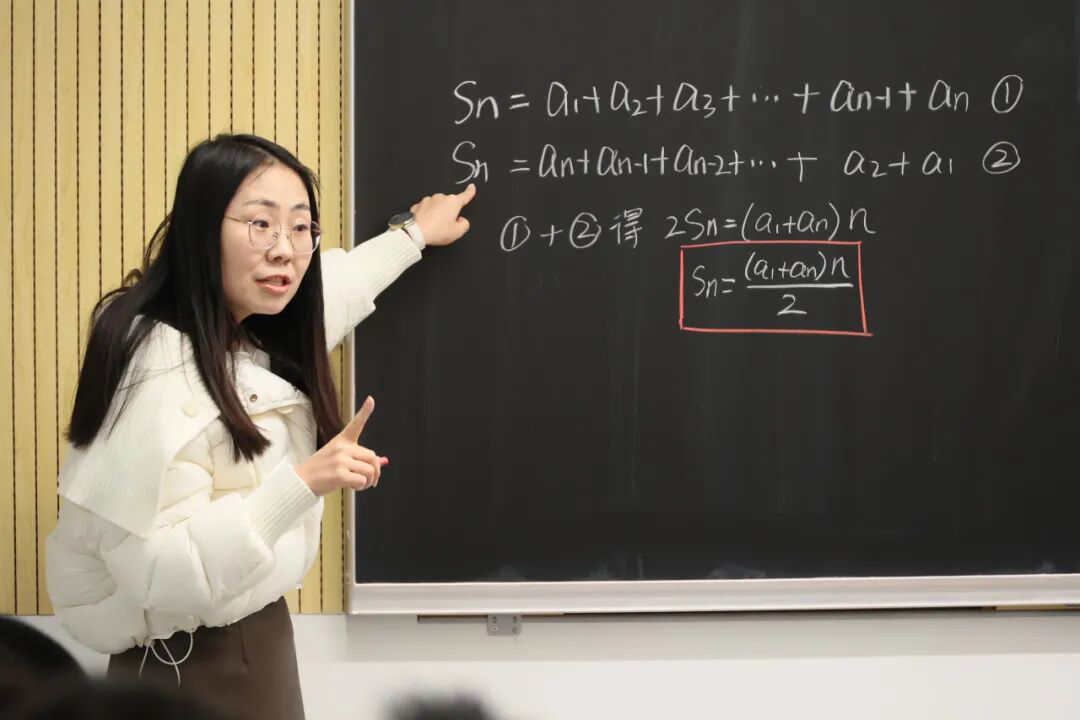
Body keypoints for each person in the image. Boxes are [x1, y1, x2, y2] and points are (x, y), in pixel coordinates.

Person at [45, 133, 476, 720]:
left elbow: (332, 290)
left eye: (300, 227)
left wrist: (413, 234)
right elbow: (160, 572)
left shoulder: (228, 330)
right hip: (198, 660)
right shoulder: (158, 369)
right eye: (260, 224)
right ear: (202, 229)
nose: (285, 251)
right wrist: (302, 483)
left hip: (244, 639)